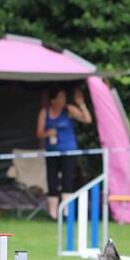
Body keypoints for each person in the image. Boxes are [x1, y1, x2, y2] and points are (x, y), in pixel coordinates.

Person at [37, 85, 92, 219]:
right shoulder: (45, 113)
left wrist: (81, 104)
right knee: (52, 181)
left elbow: (87, 120)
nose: (63, 100)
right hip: (52, 152)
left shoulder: (68, 110)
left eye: (64, 97)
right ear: (53, 100)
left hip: (69, 151)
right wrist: (47, 133)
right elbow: (39, 133)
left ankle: (67, 212)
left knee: (67, 181)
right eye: (60, 97)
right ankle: (53, 214)